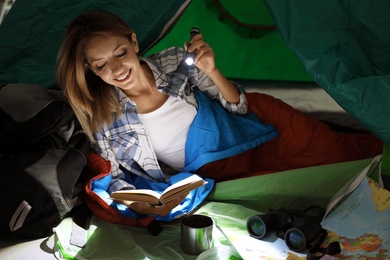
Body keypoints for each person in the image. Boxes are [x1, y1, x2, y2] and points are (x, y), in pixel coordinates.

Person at [56, 10, 383, 218]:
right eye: (101, 65)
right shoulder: (103, 114)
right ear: (91, 70)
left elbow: (237, 105)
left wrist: (212, 72)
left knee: (337, 152)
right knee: (302, 194)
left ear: (134, 42)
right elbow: (114, 177)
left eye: (120, 53)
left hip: (243, 133)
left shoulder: (173, 61)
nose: (116, 68)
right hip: (207, 172)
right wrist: (136, 201)